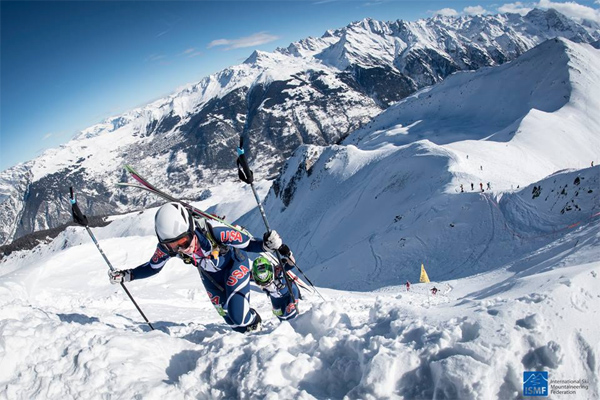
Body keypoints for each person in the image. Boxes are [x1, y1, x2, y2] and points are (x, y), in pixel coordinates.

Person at [108, 202, 292, 333]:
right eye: (174, 246)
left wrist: (267, 244)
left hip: (234, 266)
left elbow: (249, 244)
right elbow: (153, 267)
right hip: (210, 276)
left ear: (191, 229)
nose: (182, 249)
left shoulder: (216, 232)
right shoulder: (167, 247)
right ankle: (249, 337)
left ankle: (259, 317)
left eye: (183, 241)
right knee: (233, 323)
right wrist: (127, 275)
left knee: (239, 317)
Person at [251, 252, 300, 321]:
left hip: (289, 292)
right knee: (281, 317)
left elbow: (291, 264)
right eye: (261, 280)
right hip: (275, 299)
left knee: (291, 315)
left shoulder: (278, 271)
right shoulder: (254, 276)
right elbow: (244, 276)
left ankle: (300, 324)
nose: (265, 283)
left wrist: (288, 254)